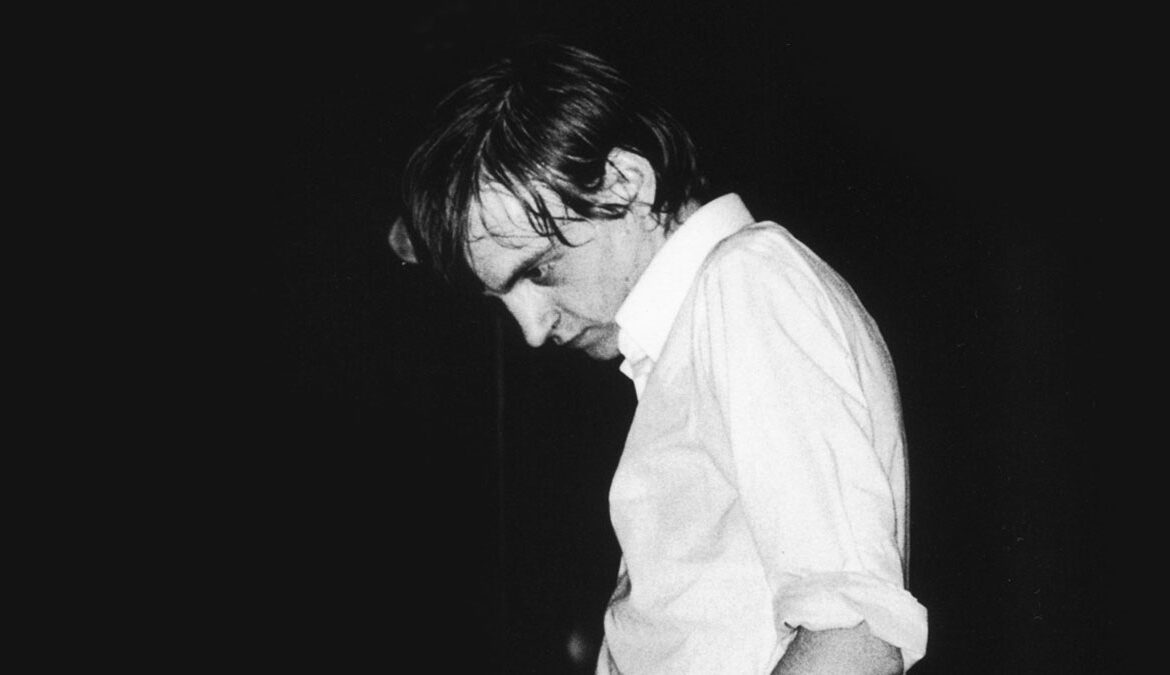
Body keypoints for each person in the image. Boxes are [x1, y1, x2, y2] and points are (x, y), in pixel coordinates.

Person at [396, 39, 928, 674]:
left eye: (540, 271)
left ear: (627, 184)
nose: (532, 329)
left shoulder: (749, 280)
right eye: (501, 299)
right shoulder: (698, 329)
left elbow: (854, 639)